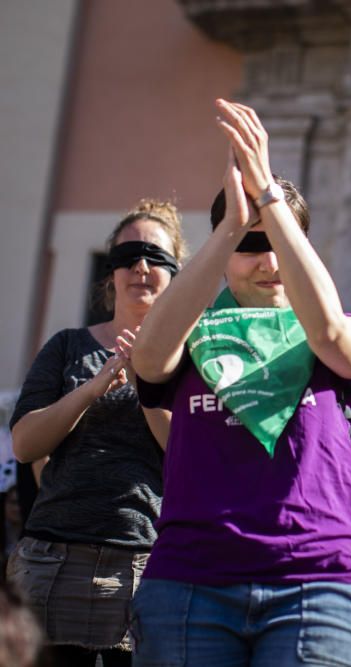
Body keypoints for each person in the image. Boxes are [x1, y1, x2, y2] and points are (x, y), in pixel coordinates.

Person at [129, 99, 351, 666]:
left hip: (316, 580)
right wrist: (230, 228)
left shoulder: (342, 330)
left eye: (280, 243)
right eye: (250, 245)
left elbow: (333, 337)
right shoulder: (190, 332)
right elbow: (147, 358)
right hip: (190, 581)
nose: (267, 261)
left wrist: (267, 193)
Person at [7, 200, 184, 666]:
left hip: (145, 564)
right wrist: (93, 388)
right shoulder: (68, 346)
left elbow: (188, 457)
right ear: (111, 273)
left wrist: (148, 380)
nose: (140, 267)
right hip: (51, 560)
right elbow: (26, 444)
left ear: (176, 272)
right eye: (127, 256)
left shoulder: (192, 360)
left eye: (154, 255)